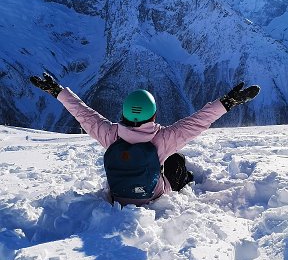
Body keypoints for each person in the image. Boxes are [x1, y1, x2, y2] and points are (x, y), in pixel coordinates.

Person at [30, 72, 260, 206]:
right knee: (176, 161)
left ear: (124, 112)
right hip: (153, 195)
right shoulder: (163, 139)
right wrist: (228, 102)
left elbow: (82, 112)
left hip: (117, 196)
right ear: (153, 114)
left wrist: (57, 91)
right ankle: (185, 183)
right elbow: (199, 121)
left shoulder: (110, 135)